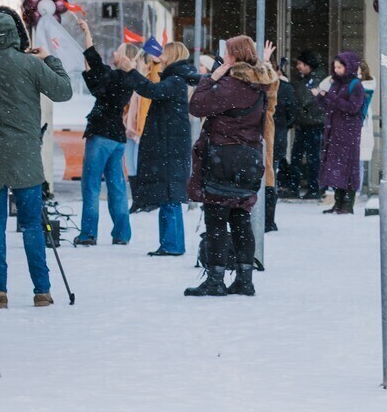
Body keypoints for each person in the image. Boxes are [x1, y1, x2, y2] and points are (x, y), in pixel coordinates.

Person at [0, 5, 74, 308]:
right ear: (16, 34)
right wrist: (49, 59)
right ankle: (42, 291)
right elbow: (64, 91)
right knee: (32, 225)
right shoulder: (30, 65)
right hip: (26, 161)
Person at [184, 35, 279, 297]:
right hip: (249, 160)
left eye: (226, 53)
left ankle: (215, 280)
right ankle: (245, 279)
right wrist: (265, 63)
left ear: (234, 57)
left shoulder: (230, 85)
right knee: (240, 219)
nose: (223, 57)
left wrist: (212, 77)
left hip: (223, 159)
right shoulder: (260, 85)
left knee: (216, 220)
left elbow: (196, 106)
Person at [123, 41, 199, 257]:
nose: (160, 53)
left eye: (165, 51)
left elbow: (151, 90)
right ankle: (170, 243)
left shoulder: (175, 81)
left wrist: (131, 71)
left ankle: (172, 245)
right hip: (170, 147)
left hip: (170, 148)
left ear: (172, 55)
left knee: (170, 198)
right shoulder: (176, 78)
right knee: (168, 197)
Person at [73, 19, 136, 247]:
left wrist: (87, 33)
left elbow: (93, 60)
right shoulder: (128, 80)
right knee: (117, 187)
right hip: (117, 138)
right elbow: (94, 72)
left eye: (118, 51)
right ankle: (122, 233)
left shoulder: (112, 76)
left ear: (125, 57)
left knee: (91, 185)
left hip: (101, 135)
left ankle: (88, 233)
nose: (115, 53)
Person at [316, 51, 369, 212]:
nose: (337, 70)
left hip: (348, 132)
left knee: (348, 166)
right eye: (335, 67)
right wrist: (321, 98)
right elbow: (330, 107)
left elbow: (353, 108)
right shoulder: (336, 83)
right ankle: (338, 203)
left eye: (340, 67)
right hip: (334, 131)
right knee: (335, 167)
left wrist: (332, 98)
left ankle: (347, 204)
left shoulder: (356, 85)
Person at [282, 52, 325, 197]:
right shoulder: (306, 80)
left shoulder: (316, 80)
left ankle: (312, 188)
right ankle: (302, 187)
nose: (297, 67)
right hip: (305, 124)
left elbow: (306, 100)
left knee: (310, 158)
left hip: (312, 124)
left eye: (300, 64)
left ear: (308, 65)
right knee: (301, 157)